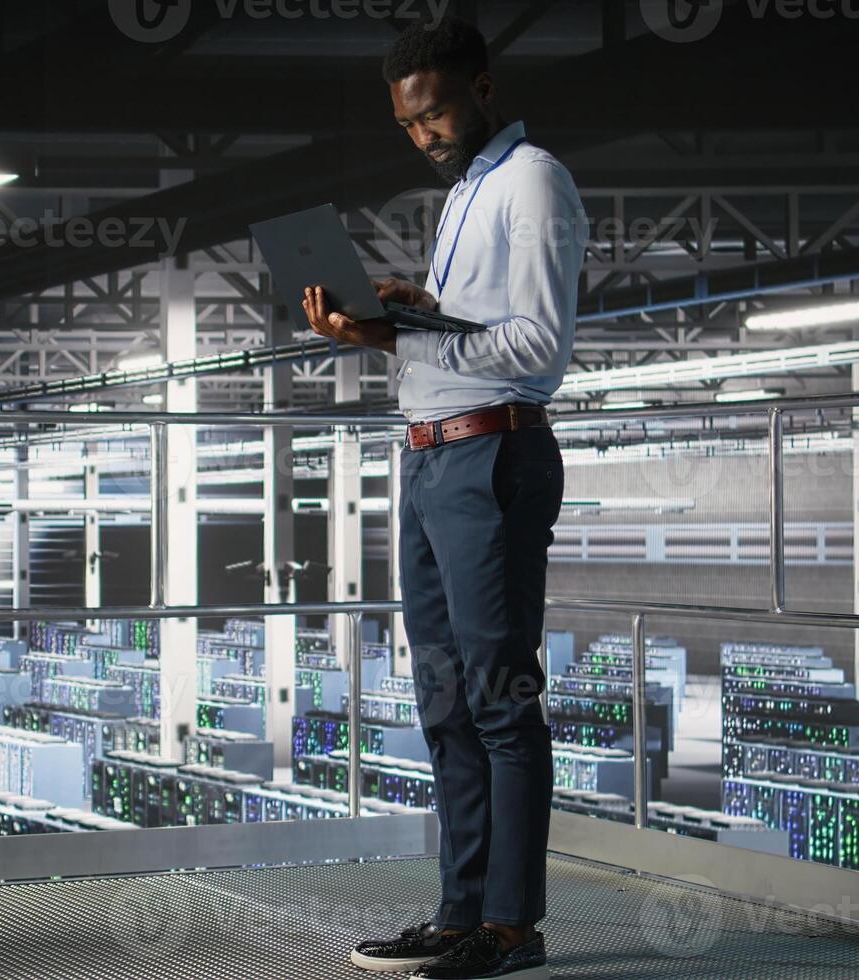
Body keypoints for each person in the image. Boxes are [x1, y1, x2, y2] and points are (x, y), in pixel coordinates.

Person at [301, 18, 584, 980]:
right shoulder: (465, 194)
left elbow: (535, 350)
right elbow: (473, 323)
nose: (425, 136)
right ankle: (460, 912)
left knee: (501, 700)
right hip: (427, 459)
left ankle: (512, 931)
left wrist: (395, 339)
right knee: (445, 702)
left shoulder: (532, 181)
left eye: (437, 113)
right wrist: (401, 301)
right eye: (409, 125)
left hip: (491, 457)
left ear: (485, 89)